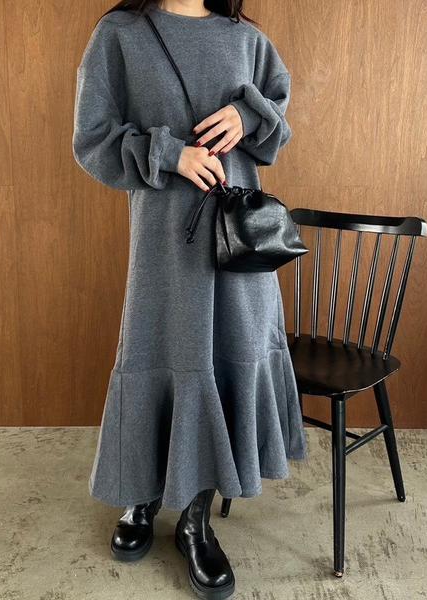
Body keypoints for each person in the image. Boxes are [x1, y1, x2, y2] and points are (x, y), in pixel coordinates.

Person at [72, 1, 307, 598]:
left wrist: (246, 116)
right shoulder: (120, 34)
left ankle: (196, 519)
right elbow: (92, 137)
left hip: (237, 244)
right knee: (156, 356)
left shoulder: (244, 38)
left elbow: (278, 111)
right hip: (164, 242)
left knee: (222, 361)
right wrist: (170, 154)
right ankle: (141, 497)